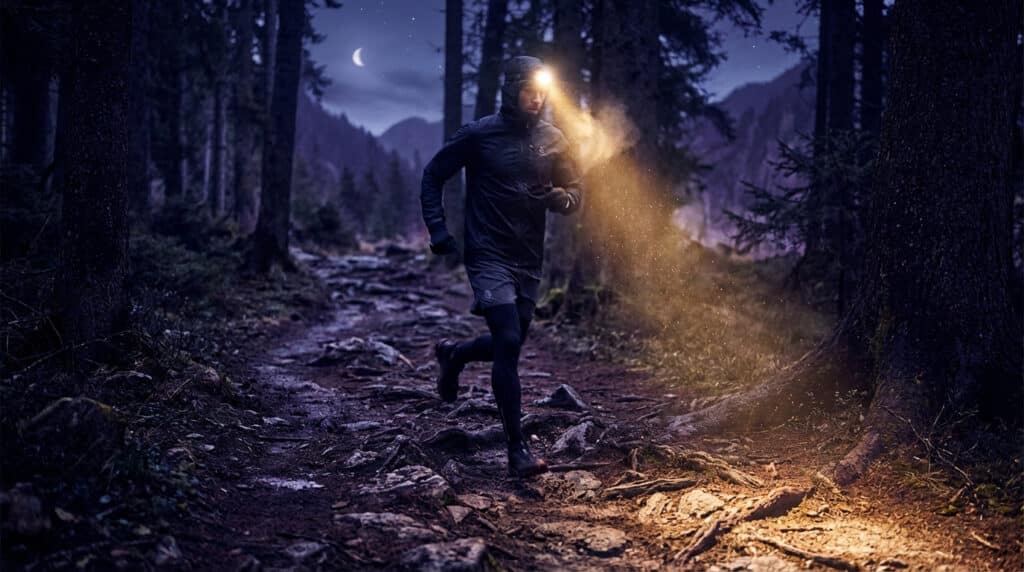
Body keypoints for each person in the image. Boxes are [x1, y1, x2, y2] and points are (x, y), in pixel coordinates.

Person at [420, 56, 583, 478]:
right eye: (529, 90)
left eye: (542, 91)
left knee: (507, 343)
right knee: (509, 340)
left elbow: (575, 189)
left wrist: (562, 200)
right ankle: (517, 450)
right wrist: (438, 229)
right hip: (487, 252)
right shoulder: (479, 134)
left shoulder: (553, 138)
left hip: (528, 257)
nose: (538, 98)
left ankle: (453, 355)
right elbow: (434, 174)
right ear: (511, 89)